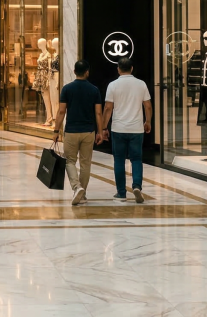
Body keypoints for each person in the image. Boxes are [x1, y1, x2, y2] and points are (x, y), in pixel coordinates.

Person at [53, 60, 104, 206]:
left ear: (74, 71)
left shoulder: (67, 89)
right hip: (88, 132)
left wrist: (56, 130)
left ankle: (76, 187)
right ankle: (82, 194)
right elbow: (98, 113)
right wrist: (100, 132)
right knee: (85, 163)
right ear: (87, 72)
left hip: (71, 131)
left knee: (69, 161)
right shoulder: (94, 90)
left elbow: (61, 111)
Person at [101, 57, 152, 203]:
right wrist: (148, 121)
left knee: (119, 160)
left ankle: (121, 193)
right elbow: (148, 106)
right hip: (136, 129)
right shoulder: (141, 84)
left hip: (118, 128)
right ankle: (137, 186)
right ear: (132, 68)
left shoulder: (113, 85)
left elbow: (108, 108)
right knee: (136, 159)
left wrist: (104, 127)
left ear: (118, 69)